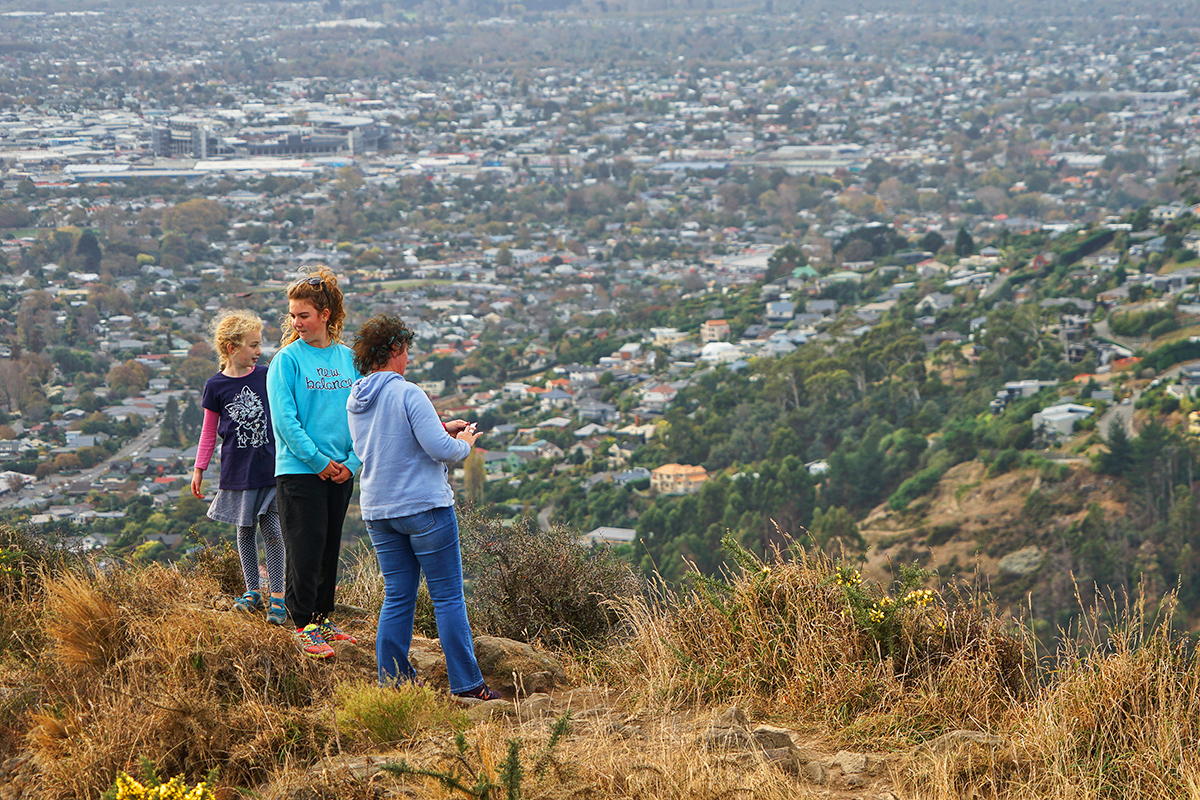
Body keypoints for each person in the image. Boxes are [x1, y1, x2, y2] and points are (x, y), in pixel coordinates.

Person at [346, 315, 500, 700]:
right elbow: (440, 450)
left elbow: (390, 439)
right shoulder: (408, 392)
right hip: (424, 508)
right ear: (395, 350)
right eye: (407, 350)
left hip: (379, 511)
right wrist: (463, 441)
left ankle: (394, 684)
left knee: (398, 594)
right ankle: (467, 685)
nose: (409, 359)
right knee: (448, 596)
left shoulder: (356, 398)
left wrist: (436, 424)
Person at [266, 267, 362, 659]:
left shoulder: (349, 359)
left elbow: (363, 413)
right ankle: (303, 625)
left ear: (325, 314)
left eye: (303, 315)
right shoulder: (286, 361)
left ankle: (323, 618)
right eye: (292, 315)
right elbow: (285, 421)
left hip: (341, 471)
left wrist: (351, 463)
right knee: (304, 548)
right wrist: (320, 461)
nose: (296, 322)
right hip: (300, 471)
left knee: (328, 547)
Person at [191, 309, 287, 627]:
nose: (259, 352)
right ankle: (252, 591)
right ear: (232, 348)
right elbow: (208, 432)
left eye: (259, 345)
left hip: (270, 466)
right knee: (244, 529)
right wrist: (199, 469)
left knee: (272, 531)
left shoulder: (266, 376)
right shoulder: (215, 386)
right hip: (236, 469)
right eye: (253, 345)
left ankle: (278, 597)